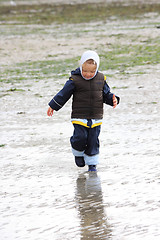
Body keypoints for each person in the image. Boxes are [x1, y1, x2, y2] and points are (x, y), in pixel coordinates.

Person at [47, 50, 120, 172]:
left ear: (96, 69)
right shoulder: (75, 80)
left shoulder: (101, 79)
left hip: (96, 116)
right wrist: (53, 105)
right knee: (80, 137)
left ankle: (92, 164)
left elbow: (106, 94)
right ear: (81, 66)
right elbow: (63, 94)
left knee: (93, 140)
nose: (88, 74)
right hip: (79, 116)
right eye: (85, 71)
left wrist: (113, 99)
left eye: (92, 71)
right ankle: (78, 152)